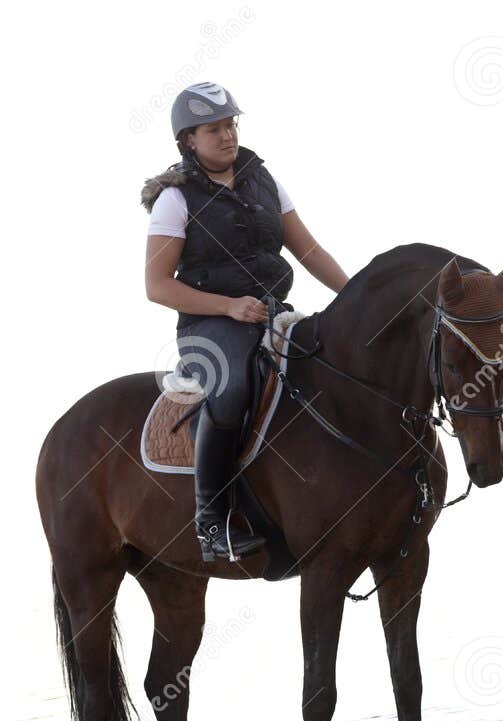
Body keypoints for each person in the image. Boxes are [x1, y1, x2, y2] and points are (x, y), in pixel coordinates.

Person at [143, 82, 349, 564]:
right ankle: (211, 522)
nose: (228, 135)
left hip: (272, 313)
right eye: (214, 129)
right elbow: (157, 285)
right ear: (188, 140)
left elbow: (309, 251)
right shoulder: (175, 199)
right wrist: (229, 307)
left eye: (231, 124)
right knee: (232, 388)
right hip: (208, 326)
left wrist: (355, 295)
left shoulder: (264, 180)